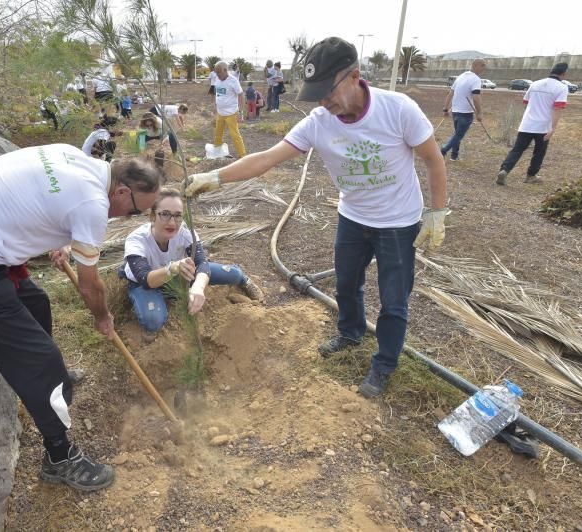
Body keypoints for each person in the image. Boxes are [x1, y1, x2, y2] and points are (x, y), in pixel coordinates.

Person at [184, 37, 447, 398]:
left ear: (354, 76)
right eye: (318, 93)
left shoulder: (398, 109)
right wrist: (215, 178)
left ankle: (384, 363)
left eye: (329, 91)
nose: (324, 101)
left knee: (393, 299)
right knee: (346, 284)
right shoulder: (319, 122)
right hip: (353, 218)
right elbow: (266, 158)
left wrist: (437, 212)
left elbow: (434, 160)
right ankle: (350, 333)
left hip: (398, 223)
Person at [0, 145, 161, 492]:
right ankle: (58, 457)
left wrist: (66, 240)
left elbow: (37, 203)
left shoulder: (76, 158)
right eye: (133, 211)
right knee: (42, 359)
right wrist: (103, 318)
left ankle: (46, 383)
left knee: (37, 302)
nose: (126, 218)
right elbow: (90, 285)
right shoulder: (92, 204)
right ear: (121, 191)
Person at [121, 188, 264, 341]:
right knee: (153, 321)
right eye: (165, 214)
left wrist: (198, 287)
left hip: (179, 272)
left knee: (233, 274)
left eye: (177, 216)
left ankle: (244, 280)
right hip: (147, 283)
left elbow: (201, 263)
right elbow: (145, 279)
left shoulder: (185, 232)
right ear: (152, 216)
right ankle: (150, 306)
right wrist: (173, 268)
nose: (172, 222)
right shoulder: (137, 240)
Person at [496, 62, 569, 185]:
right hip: (544, 126)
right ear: (564, 74)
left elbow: (526, 102)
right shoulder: (561, 87)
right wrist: (553, 128)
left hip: (527, 123)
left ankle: (504, 170)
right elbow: (558, 108)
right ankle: (531, 176)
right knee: (539, 152)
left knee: (517, 149)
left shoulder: (535, 84)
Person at [440, 58, 486, 161]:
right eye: (482, 66)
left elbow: (450, 93)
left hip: (456, 112)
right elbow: (476, 97)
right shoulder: (476, 79)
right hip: (466, 113)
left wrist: (445, 109)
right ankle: (443, 150)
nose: (484, 69)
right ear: (475, 66)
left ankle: (454, 155)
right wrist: (479, 113)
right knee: (458, 136)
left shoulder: (461, 77)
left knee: (457, 134)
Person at [210, 61, 247, 158]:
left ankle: (243, 156)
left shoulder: (233, 81)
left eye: (219, 72)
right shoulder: (216, 79)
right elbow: (215, 92)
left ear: (225, 70)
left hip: (231, 113)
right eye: (216, 72)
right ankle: (217, 153)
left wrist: (240, 111)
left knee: (235, 135)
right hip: (220, 113)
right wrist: (214, 103)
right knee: (218, 133)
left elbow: (241, 95)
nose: (217, 75)